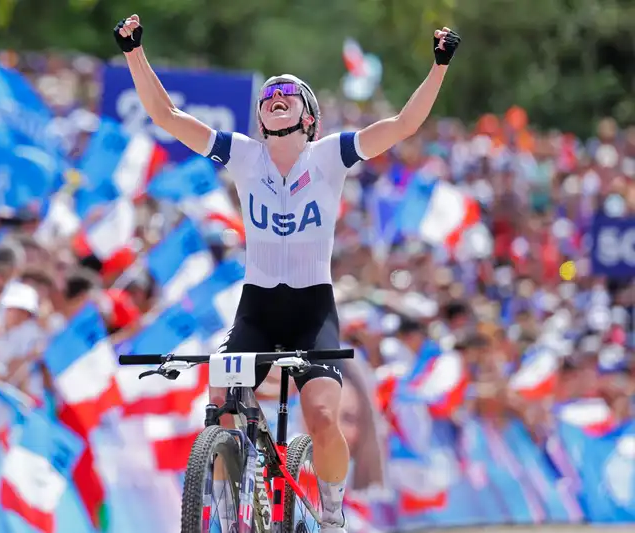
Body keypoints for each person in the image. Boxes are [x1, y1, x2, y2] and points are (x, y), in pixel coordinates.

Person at [114, 14, 461, 531]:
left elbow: (403, 126)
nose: (277, 95)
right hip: (257, 306)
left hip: (311, 309)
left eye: (289, 94)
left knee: (322, 417)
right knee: (221, 402)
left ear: (309, 119)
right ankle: (235, 501)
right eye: (269, 93)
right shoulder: (242, 154)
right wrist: (133, 52)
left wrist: (438, 66)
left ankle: (332, 508)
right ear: (260, 117)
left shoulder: (330, 156)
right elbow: (166, 115)